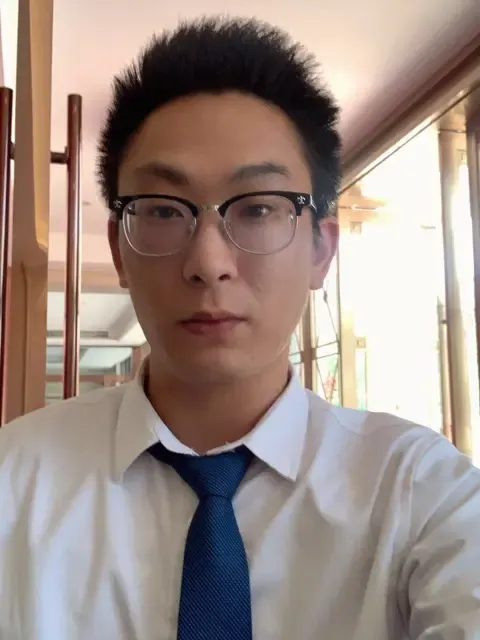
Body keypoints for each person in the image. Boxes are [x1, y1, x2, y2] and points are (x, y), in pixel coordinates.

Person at [0, 16, 479, 640]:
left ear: (320, 251)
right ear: (119, 250)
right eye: (163, 211)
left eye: (257, 209)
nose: (208, 262)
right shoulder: (14, 482)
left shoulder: (421, 493)